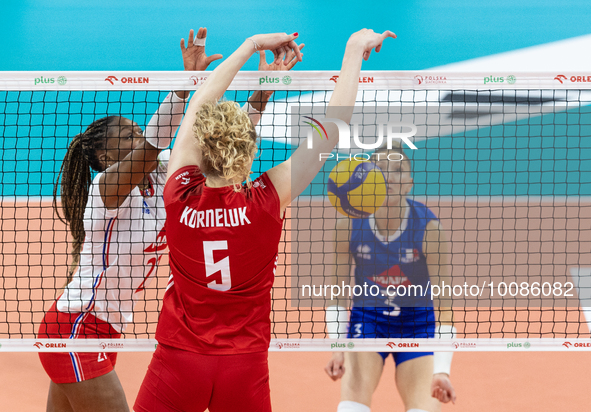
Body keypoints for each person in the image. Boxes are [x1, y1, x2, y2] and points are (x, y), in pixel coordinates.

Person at [134, 28, 396, 412]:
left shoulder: (177, 194)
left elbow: (199, 106)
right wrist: (353, 50)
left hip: (179, 359)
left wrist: (251, 44)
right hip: (243, 364)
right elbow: (331, 129)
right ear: (250, 152)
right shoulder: (267, 201)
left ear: (202, 148)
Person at [37, 28, 223, 412]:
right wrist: (182, 87)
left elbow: (212, 151)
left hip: (106, 331)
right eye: (127, 137)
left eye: (138, 132)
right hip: (77, 327)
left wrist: (256, 99)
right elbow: (155, 143)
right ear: (106, 158)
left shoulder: (163, 177)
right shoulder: (107, 190)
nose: (138, 138)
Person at [324, 142, 457, 412]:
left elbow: (445, 307)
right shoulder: (347, 225)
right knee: (350, 408)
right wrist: (338, 347)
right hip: (368, 323)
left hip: (418, 327)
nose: (389, 176)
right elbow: (337, 295)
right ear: (369, 178)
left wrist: (442, 370)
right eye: (381, 169)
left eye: (398, 170)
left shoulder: (429, 229)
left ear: (409, 183)